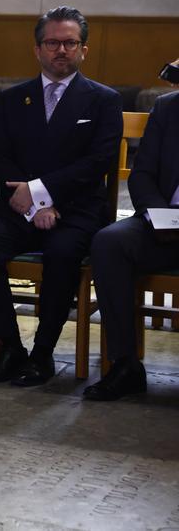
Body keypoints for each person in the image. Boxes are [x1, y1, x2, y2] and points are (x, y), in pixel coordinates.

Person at [0, 6, 123, 388]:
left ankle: (42, 355)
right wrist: (33, 202)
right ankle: (9, 348)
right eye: (52, 42)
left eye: (70, 43)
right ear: (37, 49)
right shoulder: (11, 99)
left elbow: (98, 161)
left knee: (62, 253)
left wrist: (44, 195)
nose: (61, 50)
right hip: (17, 205)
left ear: (83, 50)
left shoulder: (103, 100)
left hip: (77, 209)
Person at [84, 58, 179, 401]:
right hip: (165, 220)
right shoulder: (168, 108)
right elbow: (142, 175)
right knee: (110, 242)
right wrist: (158, 216)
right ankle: (125, 363)